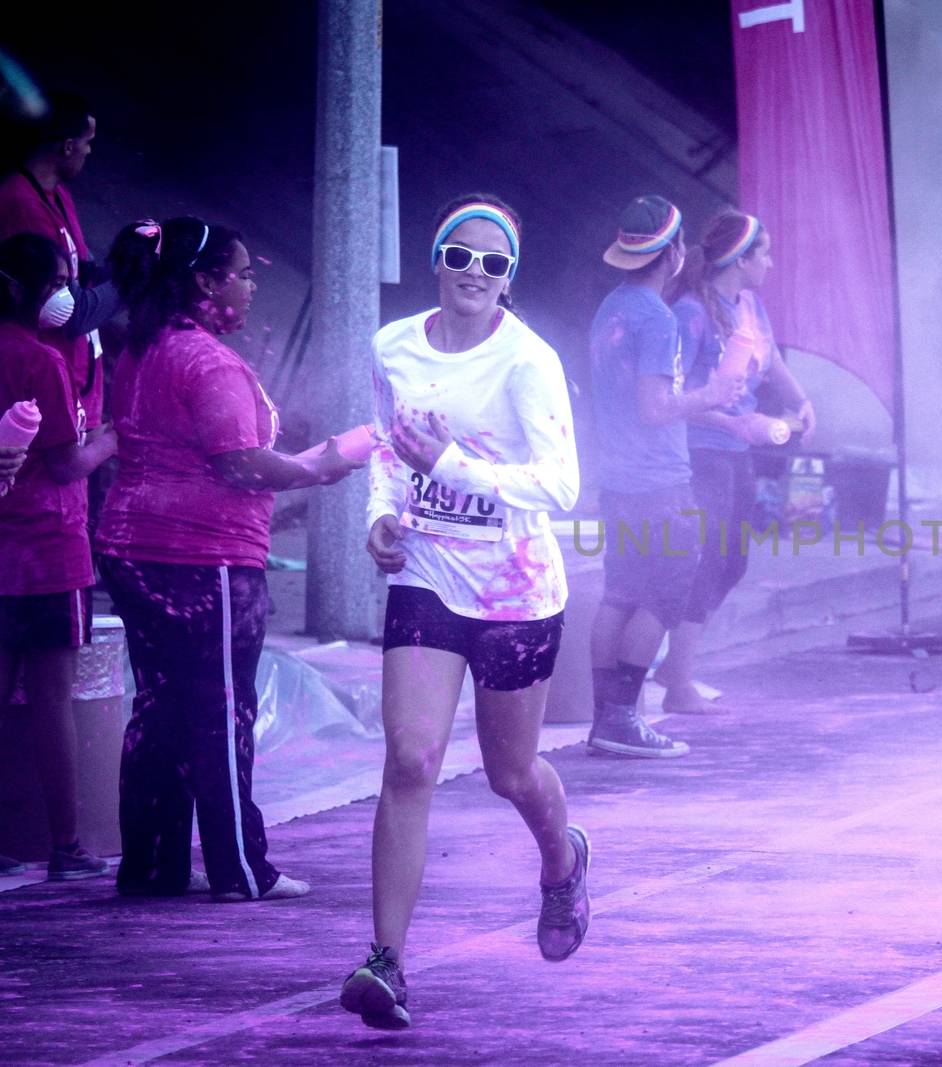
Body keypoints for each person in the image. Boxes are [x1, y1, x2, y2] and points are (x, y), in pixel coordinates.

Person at [340, 194, 587, 1030]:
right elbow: (386, 444)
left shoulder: (529, 362)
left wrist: (449, 463)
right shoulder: (394, 346)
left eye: (494, 263)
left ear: (509, 278)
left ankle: (561, 855)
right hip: (429, 573)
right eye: (461, 255)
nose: (475, 273)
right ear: (437, 258)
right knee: (410, 758)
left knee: (509, 773)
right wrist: (381, 512)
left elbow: (560, 486)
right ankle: (387, 961)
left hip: (517, 588)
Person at [97, 217, 361, 902]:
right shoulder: (205, 360)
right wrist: (321, 465)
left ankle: (152, 866)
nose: (249, 287)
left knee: (161, 706)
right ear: (206, 282)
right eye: (244, 274)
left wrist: (315, 462)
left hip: (136, 546)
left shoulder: (143, 348)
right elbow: (241, 466)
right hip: (199, 557)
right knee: (219, 708)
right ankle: (240, 867)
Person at [586, 195, 742, 757]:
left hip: (619, 480)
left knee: (619, 595)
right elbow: (655, 407)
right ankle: (624, 720)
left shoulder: (612, 307)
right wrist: (711, 395)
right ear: (673, 253)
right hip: (659, 482)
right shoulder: (657, 317)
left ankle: (606, 720)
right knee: (663, 597)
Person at [656, 211, 815, 712]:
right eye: (764, 252)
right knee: (704, 563)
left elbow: (773, 364)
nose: (771, 262)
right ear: (739, 258)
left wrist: (801, 401)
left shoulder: (750, 306)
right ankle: (678, 681)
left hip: (737, 450)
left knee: (733, 562)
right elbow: (675, 397)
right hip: (701, 450)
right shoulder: (690, 314)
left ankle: (672, 664)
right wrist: (733, 424)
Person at [0, 232, 116, 880]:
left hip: (4, 549)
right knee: (52, 699)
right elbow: (69, 460)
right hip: (48, 545)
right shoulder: (41, 361)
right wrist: (114, 437)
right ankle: (66, 845)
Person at [0, 92, 115, 427]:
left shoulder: (58, 194)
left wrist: (126, 257)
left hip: (73, 382)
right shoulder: (20, 204)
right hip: (36, 391)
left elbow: (83, 273)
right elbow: (74, 313)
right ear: (67, 146)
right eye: (88, 142)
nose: (90, 151)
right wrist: (132, 278)